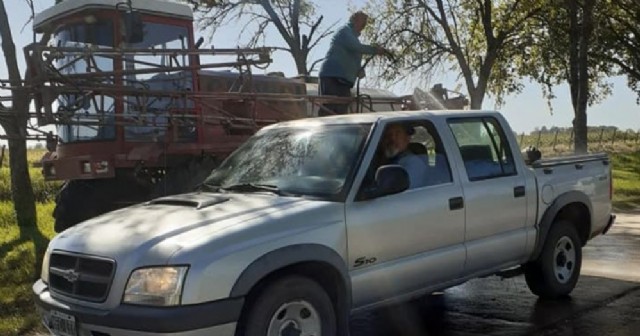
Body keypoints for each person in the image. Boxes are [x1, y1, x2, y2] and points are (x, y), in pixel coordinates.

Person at [317, 11, 390, 116]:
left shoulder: (354, 39)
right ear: (354, 20)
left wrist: (358, 70)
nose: (364, 24)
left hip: (344, 81)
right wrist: (375, 50)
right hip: (332, 77)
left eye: (366, 22)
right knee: (329, 110)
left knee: (341, 113)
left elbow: (354, 57)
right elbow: (356, 47)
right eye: (363, 20)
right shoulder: (344, 31)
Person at [382, 123, 429, 189]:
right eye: (388, 135)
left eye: (397, 134)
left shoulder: (413, 163)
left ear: (407, 138)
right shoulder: (379, 159)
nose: (392, 138)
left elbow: (402, 193)